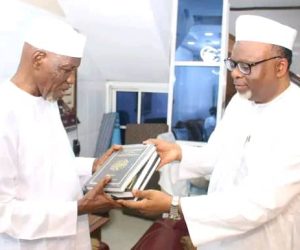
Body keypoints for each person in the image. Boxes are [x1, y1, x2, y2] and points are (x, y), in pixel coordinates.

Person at [119, 15, 300, 250]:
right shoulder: (241, 101)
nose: (235, 73)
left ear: (280, 67)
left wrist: (174, 205)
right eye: (233, 63)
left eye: (247, 66)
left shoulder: (294, 116)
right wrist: (178, 152)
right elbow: (219, 154)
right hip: (219, 235)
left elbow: (259, 203)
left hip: (262, 239)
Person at [0, 16, 121, 249]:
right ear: (38, 59)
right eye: (66, 70)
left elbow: (49, 165)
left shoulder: (46, 101)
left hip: (69, 237)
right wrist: (77, 209)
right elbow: (3, 211)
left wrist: (94, 165)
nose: (71, 80)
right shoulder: (5, 111)